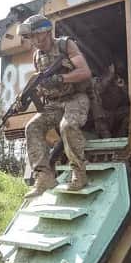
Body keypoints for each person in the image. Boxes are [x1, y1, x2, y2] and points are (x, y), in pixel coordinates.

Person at [17, 14, 92, 198]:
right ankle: (44, 178)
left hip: (76, 98)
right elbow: (41, 82)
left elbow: (85, 72)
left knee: (67, 126)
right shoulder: (37, 56)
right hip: (54, 104)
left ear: (47, 31)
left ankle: (79, 174)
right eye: (31, 38)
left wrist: (61, 78)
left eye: (37, 36)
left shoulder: (65, 45)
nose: (35, 41)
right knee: (32, 127)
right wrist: (27, 96)